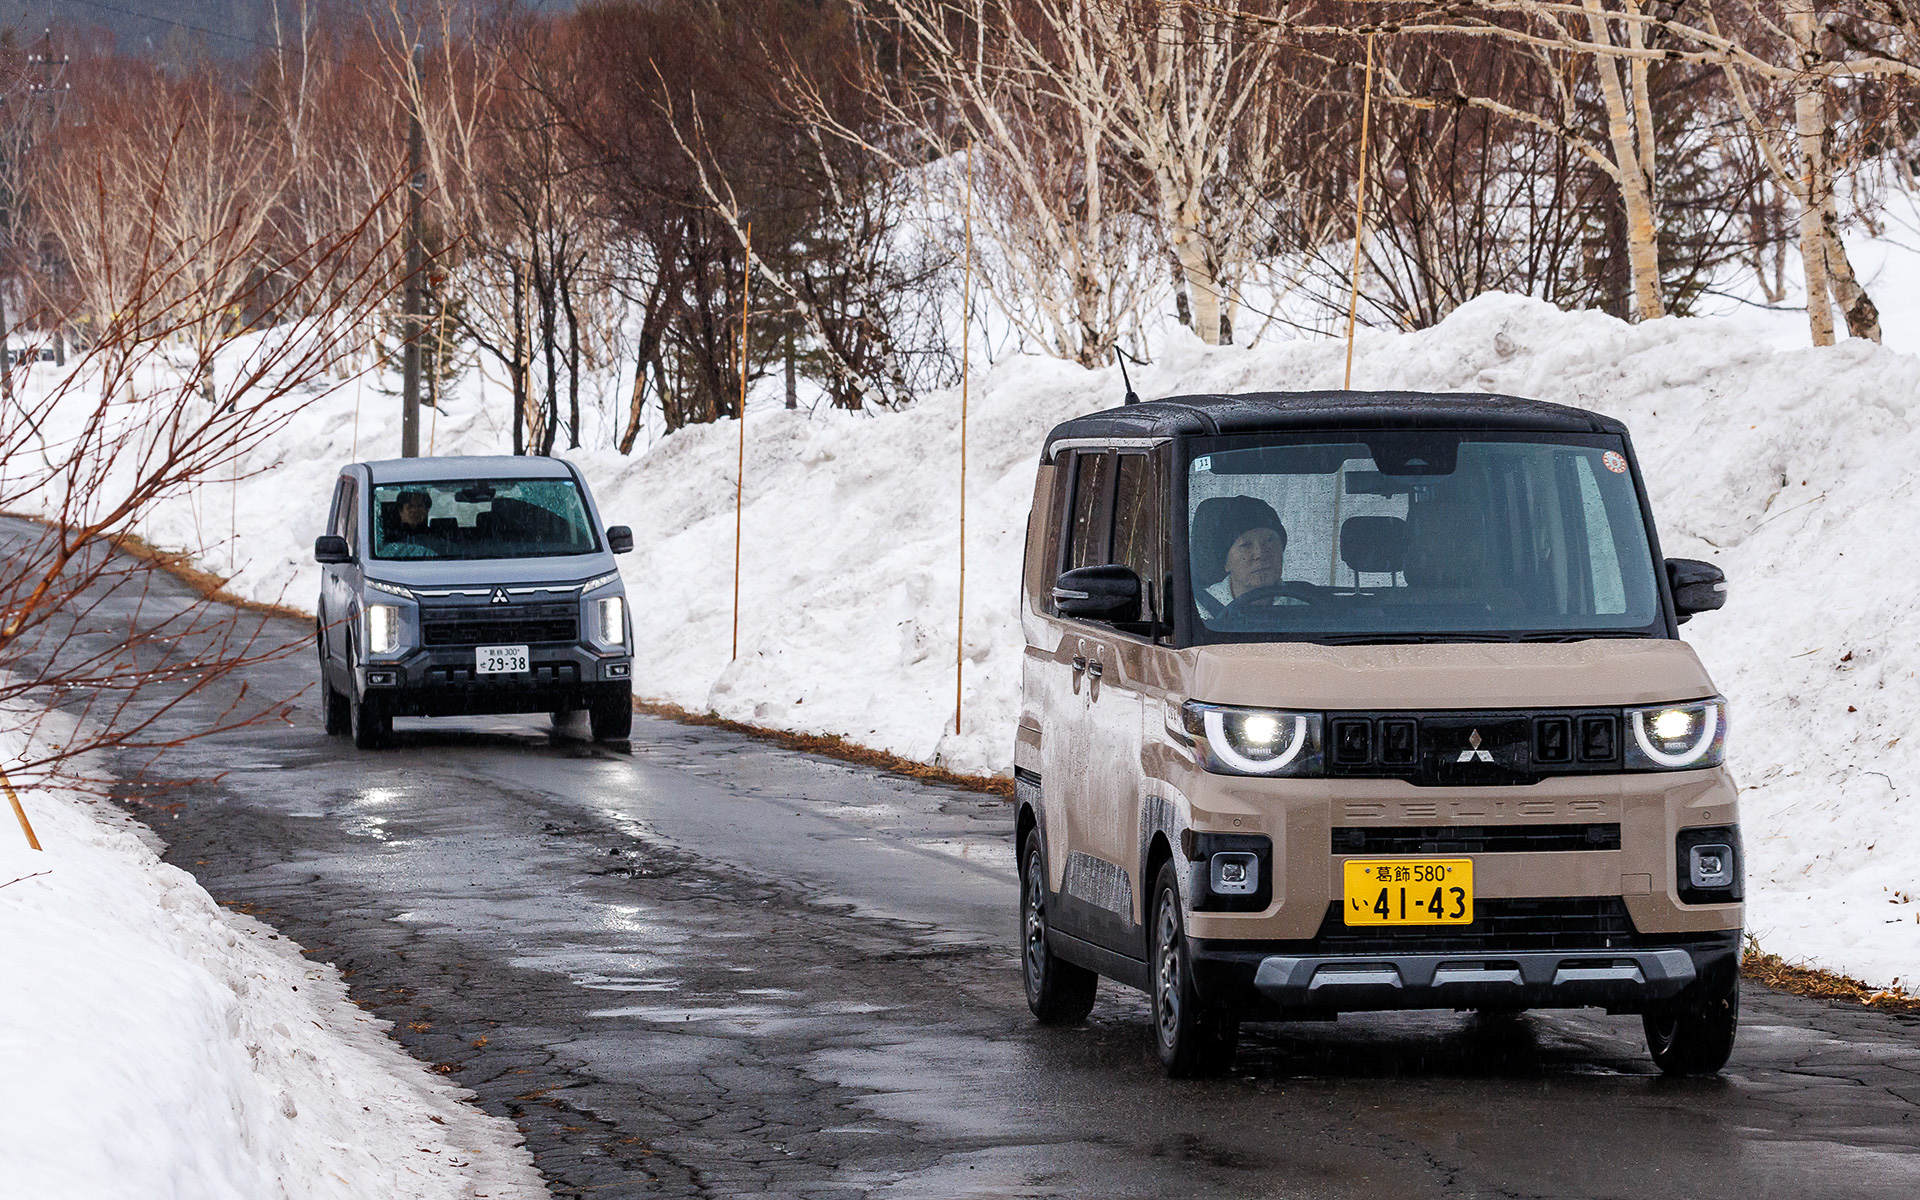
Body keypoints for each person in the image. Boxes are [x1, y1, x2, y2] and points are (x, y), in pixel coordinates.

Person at [1191, 495, 1300, 620]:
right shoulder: (1198, 613)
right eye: (1245, 545)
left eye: (1269, 540)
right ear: (1226, 562)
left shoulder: (1307, 607)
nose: (1260, 554)